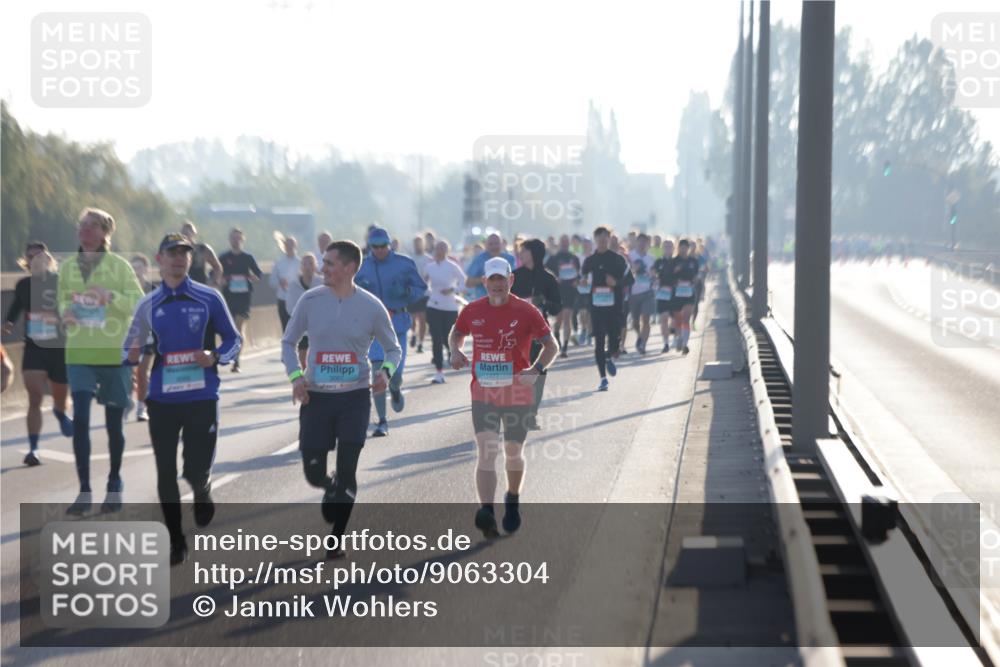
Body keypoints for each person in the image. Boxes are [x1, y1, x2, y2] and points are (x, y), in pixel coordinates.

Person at [123, 234, 241, 566]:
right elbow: (129, 348)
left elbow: (234, 339)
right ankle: (176, 539)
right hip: (162, 399)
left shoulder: (209, 297)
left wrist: (215, 355)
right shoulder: (147, 304)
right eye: (172, 253)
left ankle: (201, 486)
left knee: (193, 468)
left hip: (202, 395)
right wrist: (130, 354)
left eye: (185, 253)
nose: (179, 259)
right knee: (164, 471)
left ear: (191, 260)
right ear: (159, 259)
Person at [282, 240, 401, 559]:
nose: (323, 268)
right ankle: (328, 484)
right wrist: (296, 378)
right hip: (316, 398)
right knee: (313, 472)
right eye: (323, 262)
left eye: (330, 263)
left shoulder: (372, 306)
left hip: (354, 399)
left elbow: (393, 349)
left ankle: (335, 540)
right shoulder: (310, 300)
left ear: (349, 268)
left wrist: (386, 373)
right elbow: (288, 343)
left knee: (348, 469)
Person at [449, 257, 558, 538]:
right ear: (484, 282)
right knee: (486, 451)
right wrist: (455, 350)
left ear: (511, 280)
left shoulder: (526, 311)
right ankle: (487, 510)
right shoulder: (472, 310)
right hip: (483, 392)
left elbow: (551, 345)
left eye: (502, 279)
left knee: (512, 452)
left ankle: (512, 497)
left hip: (517, 393)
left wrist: (537, 369)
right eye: (492, 280)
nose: (497, 285)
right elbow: (457, 332)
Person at [58, 208, 144, 514]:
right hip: (79, 353)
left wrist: (111, 298)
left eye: (91, 226)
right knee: (80, 419)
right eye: (81, 226)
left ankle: (114, 481)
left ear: (105, 232)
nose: (84, 231)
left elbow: (138, 303)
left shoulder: (119, 267)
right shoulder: (67, 267)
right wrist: (65, 312)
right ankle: (84, 491)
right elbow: (62, 299)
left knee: (112, 425)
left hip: (113, 354)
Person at [353, 226, 427, 437]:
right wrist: (359, 287)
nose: (379, 250)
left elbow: (421, 288)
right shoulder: (362, 266)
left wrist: (405, 291)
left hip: (398, 324)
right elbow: (348, 290)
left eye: (383, 246)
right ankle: (382, 421)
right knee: (378, 371)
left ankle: (395, 388)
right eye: (374, 247)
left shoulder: (404, 263)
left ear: (389, 245)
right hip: (372, 327)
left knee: (394, 374)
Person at [3, 243, 73, 465]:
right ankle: (34, 449)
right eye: (30, 257)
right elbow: (16, 306)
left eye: (39, 256)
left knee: (59, 397)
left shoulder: (59, 281)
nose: (35, 260)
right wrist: (8, 322)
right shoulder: (23, 285)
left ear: (48, 258)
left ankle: (60, 413)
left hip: (58, 348)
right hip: (34, 347)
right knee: (34, 398)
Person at [511, 239, 561, 431]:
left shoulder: (548, 278)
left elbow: (557, 308)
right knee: (517, 371)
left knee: (538, 372)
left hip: (540, 333)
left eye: (523, 251)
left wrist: (545, 303)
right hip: (515, 332)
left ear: (533, 253)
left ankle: (532, 415)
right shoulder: (514, 277)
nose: (520, 254)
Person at [581, 227, 629, 392]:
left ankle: (610, 356)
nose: (602, 240)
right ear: (595, 239)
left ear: (609, 239)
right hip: (596, 307)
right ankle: (603, 378)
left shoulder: (617, 259)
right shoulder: (590, 260)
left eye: (605, 237)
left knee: (615, 343)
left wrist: (616, 283)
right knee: (599, 342)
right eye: (599, 237)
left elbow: (631, 280)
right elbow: (583, 278)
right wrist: (583, 282)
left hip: (614, 307)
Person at [219, 228, 263, 372]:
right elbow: (215, 273)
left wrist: (253, 278)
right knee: (230, 329)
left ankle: (236, 360)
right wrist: (222, 280)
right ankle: (229, 353)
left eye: (238, 238)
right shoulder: (224, 257)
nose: (236, 241)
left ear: (243, 240)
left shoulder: (247, 257)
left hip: (244, 296)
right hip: (228, 297)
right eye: (233, 238)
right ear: (229, 240)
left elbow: (258, 274)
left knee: (239, 327)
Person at [423, 240, 466, 384]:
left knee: (448, 338)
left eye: (443, 248)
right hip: (433, 306)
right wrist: (429, 292)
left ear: (447, 250)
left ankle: (452, 353)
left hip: (450, 307)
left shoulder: (452, 266)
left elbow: (463, 282)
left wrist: (452, 290)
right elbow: (423, 284)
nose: (439, 250)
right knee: (436, 339)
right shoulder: (429, 267)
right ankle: (439, 372)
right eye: (437, 248)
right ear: (434, 250)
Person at [285, 252, 324, 370]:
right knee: (302, 351)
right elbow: (290, 305)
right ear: (301, 267)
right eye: (305, 264)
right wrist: (300, 317)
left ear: (315, 266)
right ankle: (304, 374)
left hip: (319, 323)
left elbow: (327, 302)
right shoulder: (293, 285)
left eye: (311, 264)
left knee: (318, 351)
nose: (308, 267)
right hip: (301, 322)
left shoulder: (323, 283)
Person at [129, 254, 156, 422]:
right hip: (128, 335)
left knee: (142, 371)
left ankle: (141, 408)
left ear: (146, 269)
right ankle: (146, 393)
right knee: (132, 373)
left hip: (148, 336)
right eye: (133, 267)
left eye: (139, 267)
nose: (136, 270)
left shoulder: (153, 290)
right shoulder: (125, 289)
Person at [544, 234, 581, 357]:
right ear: (559, 243)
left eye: (566, 242)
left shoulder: (574, 258)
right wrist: (554, 279)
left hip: (570, 291)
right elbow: (544, 271)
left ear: (569, 243)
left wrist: (577, 281)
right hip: (557, 292)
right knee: (559, 319)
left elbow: (579, 273)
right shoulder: (554, 258)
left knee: (567, 318)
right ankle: (557, 334)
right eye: (563, 242)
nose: (565, 244)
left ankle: (564, 347)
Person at [670, 239, 701, 355]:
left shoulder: (693, 261)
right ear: (678, 248)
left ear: (688, 249)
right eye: (681, 247)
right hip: (677, 293)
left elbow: (697, 274)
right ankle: (679, 338)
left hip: (688, 292)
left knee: (686, 319)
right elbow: (668, 276)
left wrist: (695, 280)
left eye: (685, 247)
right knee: (678, 320)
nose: (683, 249)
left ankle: (685, 344)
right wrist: (675, 276)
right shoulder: (674, 261)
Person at [627, 233, 656, 355]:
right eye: (640, 241)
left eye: (645, 241)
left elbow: (654, 274)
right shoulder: (630, 256)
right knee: (635, 322)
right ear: (636, 242)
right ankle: (639, 336)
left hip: (647, 292)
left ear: (648, 243)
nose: (642, 244)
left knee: (646, 318)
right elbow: (626, 272)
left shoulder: (651, 258)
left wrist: (653, 277)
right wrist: (633, 269)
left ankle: (643, 344)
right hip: (633, 292)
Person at [465, 233, 515, 301]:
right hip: (483, 301)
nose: (494, 246)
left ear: (502, 244)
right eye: (490, 244)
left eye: (496, 243)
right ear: (485, 245)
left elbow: (515, 280)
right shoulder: (479, 259)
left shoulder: (510, 259)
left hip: (505, 301)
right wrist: (488, 278)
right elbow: (468, 283)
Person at [270, 234, 300, 332]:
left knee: (298, 327)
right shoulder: (278, 263)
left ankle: (301, 347)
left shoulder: (301, 263)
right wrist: (279, 282)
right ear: (284, 246)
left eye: (292, 245)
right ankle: (288, 347)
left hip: (298, 300)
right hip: (283, 299)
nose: (289, 247)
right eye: (287, 245)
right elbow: (272, 282)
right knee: (286, 328)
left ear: (296, 246)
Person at [180, 220, 222, 286]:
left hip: (201, 285)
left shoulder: (203, 249)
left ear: (194, 233)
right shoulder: (178, 251)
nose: (186, 236)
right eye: (184, 233)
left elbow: (217, 267)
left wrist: (215, 281)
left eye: (189, 232)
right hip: (183, 286)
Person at [653, 239, 677, 353]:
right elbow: (653, 274)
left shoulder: (677, 261)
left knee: (675, 318)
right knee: (664, 318)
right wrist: (655, 279)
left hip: (675, 294)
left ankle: (675, 334)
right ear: (662, 248)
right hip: (662, 294)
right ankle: (666, 343)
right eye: (665, 246)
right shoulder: (658, 262)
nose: (667, 248)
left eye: (670, 246)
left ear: (673, 248)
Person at [409, 236, 432, 354]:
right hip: (412, 293)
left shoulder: (428, 259)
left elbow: (431, 274)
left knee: (422, 319)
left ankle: (420, 343)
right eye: (415, 243)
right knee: (412, 319)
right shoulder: (410, 258)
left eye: (419, 243)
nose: (417, 245)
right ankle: (413, 334)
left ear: (423, 244)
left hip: (424, 292)